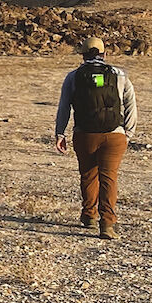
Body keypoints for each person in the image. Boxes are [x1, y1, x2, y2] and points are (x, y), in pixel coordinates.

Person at [54, 36, 137, 239]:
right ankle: (107, 224)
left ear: (82, 56)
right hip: (114, 135)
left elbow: (64, 106)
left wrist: (60, 133)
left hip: (84, 134)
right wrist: (128, 133)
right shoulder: (120, 75)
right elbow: (130, 105)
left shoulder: (73, 77)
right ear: (104, 54)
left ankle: (89, 216)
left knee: (88, 175)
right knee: (109, 178)